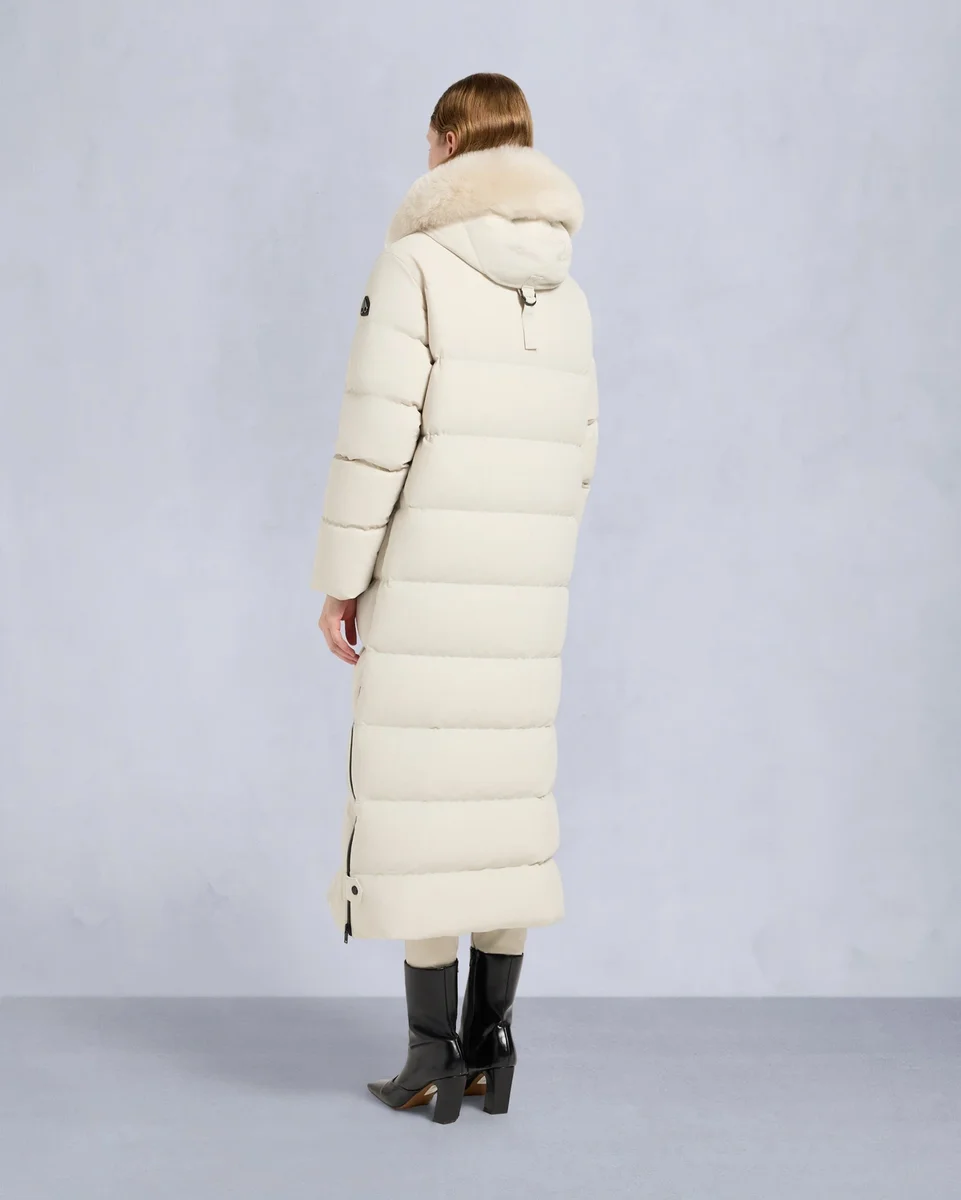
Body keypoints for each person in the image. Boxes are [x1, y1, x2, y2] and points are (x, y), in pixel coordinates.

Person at [310, 73, 598, 1123]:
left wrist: (342, 581)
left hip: (429, 585)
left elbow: (376, 437)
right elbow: (581, 452)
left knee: (425, 808)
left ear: (443, 144)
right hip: (527, 593)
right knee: (504, 809)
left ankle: (429, 1055)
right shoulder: (567, 291)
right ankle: (492, 1046)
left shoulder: (417, 265)